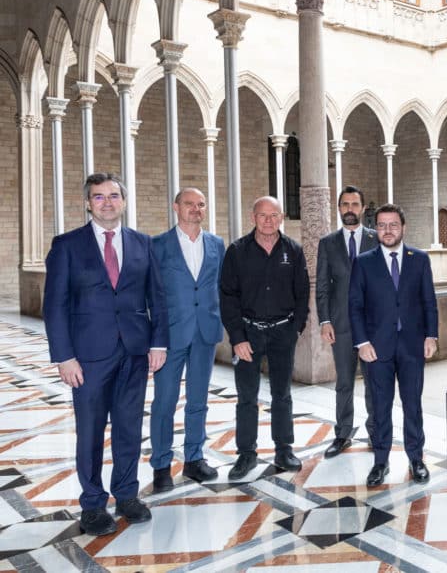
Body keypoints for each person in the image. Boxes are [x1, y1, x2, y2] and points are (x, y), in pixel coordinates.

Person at [43, 172, 168, 535]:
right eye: (99, 197)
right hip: (88, 357)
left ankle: (127, 494)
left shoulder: (143, 244)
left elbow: (156, 299)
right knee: (91, 431)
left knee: (129, 428)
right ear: (88, 203)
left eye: (114, 196)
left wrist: (157, 343)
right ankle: (93, 503)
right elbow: (55, 305)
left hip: (134, 352)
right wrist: (64, 357)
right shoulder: (67, 245)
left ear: (124, 202)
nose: (107, 202)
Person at [349, 204, 439, 487]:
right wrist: (362, 342)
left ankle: (416, 459)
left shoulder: (420, 259)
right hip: (377, 348)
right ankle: (380, 461)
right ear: (376, 229)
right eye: (382, 225)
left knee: (413, 404)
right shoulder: (363, 262)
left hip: (412, 345)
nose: (387, 230)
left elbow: (429, 302)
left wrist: (431, 336)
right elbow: (355, 306)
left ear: (403, 227)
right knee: (380, 406)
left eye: (393, 225)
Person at [220, 196, 309, 479]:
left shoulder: (293, 250)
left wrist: (296, 328)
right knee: (247, 397)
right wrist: (237, 337)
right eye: (263, 215)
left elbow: (302, 293)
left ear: (281, 217)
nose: (268, 220)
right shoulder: (237, 251)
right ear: (253, 217)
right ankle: (246, 455)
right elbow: (227, 296)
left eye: (274, 215)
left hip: (283, 332)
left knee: (282, 394)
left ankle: (284, 449)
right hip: (248, 334)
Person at [150, 187, 225, 492]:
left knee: (198, 401)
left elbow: (221, 286)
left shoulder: (217, 244)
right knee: (164, 402)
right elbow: (150, 295)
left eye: (201, 205)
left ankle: (194, 459)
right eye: (189, 204)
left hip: (205, 333)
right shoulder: (157, 245)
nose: (196, 209)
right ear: (175, 207)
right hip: (170, 336)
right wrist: (152, 340)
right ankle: (161, 465)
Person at [316, 185, 379, 458]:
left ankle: (377, 433)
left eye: (355, 204)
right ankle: (342, 434)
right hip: (340, 326)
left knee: (374, 382)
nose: (350, 209)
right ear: (339, 208)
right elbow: (321, 287)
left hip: (372, 327)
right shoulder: (327, 243)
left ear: (363, 209)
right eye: (345, 204)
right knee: (344, 382)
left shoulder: (377, 239)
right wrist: (324, 321)